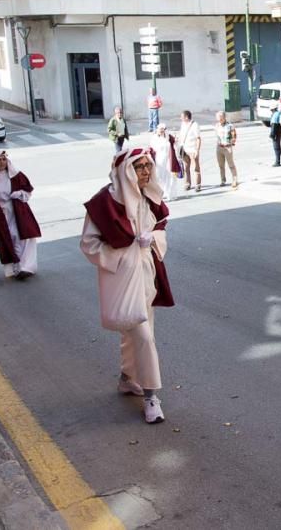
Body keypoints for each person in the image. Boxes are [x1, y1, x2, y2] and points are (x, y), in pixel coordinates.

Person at [80, 147, 175, 424]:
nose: (146, 171)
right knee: (144, 336)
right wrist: (124, 252)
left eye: (148, 166)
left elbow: (160, 229)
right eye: (139, 166)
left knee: (135, 331)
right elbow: (89, 244)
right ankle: (150, 397)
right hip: (122, 277)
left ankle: (127, 377)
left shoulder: (149, 197)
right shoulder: (104, 203)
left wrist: (153, 240)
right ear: (126, 170)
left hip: (147, 275)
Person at [0, 150, 41, 280]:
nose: (1, 162)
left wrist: (18, 194)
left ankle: (26, 267)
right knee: (8, 238)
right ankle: (15, 268)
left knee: (23, 236)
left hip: (17, 210)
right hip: (1, 213)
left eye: (4, 159)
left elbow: (27, 190)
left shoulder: (15, 174)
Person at [149, 123, 181, 201]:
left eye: (163, 129)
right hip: (159, 161)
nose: (162, 131)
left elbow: (176, 145)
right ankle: (161, 194)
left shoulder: (169, 137)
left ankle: (170, 194)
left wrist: (176, 142)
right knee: (160, 177)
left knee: (170, 177)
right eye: (160, 129)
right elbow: (152, 149)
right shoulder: (154, 138)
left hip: (169, 160)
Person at [177, 110, 202, 192]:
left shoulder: (195, 125)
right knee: (186, 167)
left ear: (186, 117)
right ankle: (187, 183)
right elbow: (181, 134)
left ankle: (198, 184)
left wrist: (197, 150)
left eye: (182, 117)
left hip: (192, 149)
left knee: (196, 168)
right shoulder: (183, 124)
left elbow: (198, 138)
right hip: (184, 149)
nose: (180, 118)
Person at [214, 111, 238, 189]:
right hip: (219, 147)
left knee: (231, 164)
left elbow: (234, 136)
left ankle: (234, 179)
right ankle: (223, 180)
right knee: (221, 165)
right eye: (218, 118)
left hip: (227, 147)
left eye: (220, 118)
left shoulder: (230, 126)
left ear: (224, 117)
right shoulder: (217, 126)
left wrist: (232, 142)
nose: (219, 120)